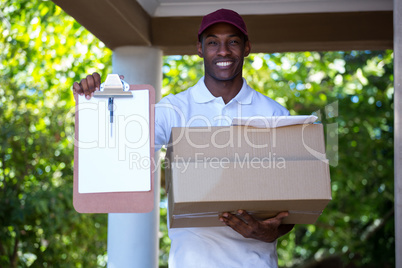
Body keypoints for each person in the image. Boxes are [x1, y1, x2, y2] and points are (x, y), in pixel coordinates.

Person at [73, 8, 294, 267]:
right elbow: (121, 153)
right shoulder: (172, 109)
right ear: (200, 49)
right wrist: (100, 105)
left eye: (233, 41)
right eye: (213, 42)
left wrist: (270, 233)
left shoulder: (275, 113)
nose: (223, 51)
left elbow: (291, 204)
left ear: (246, 48)